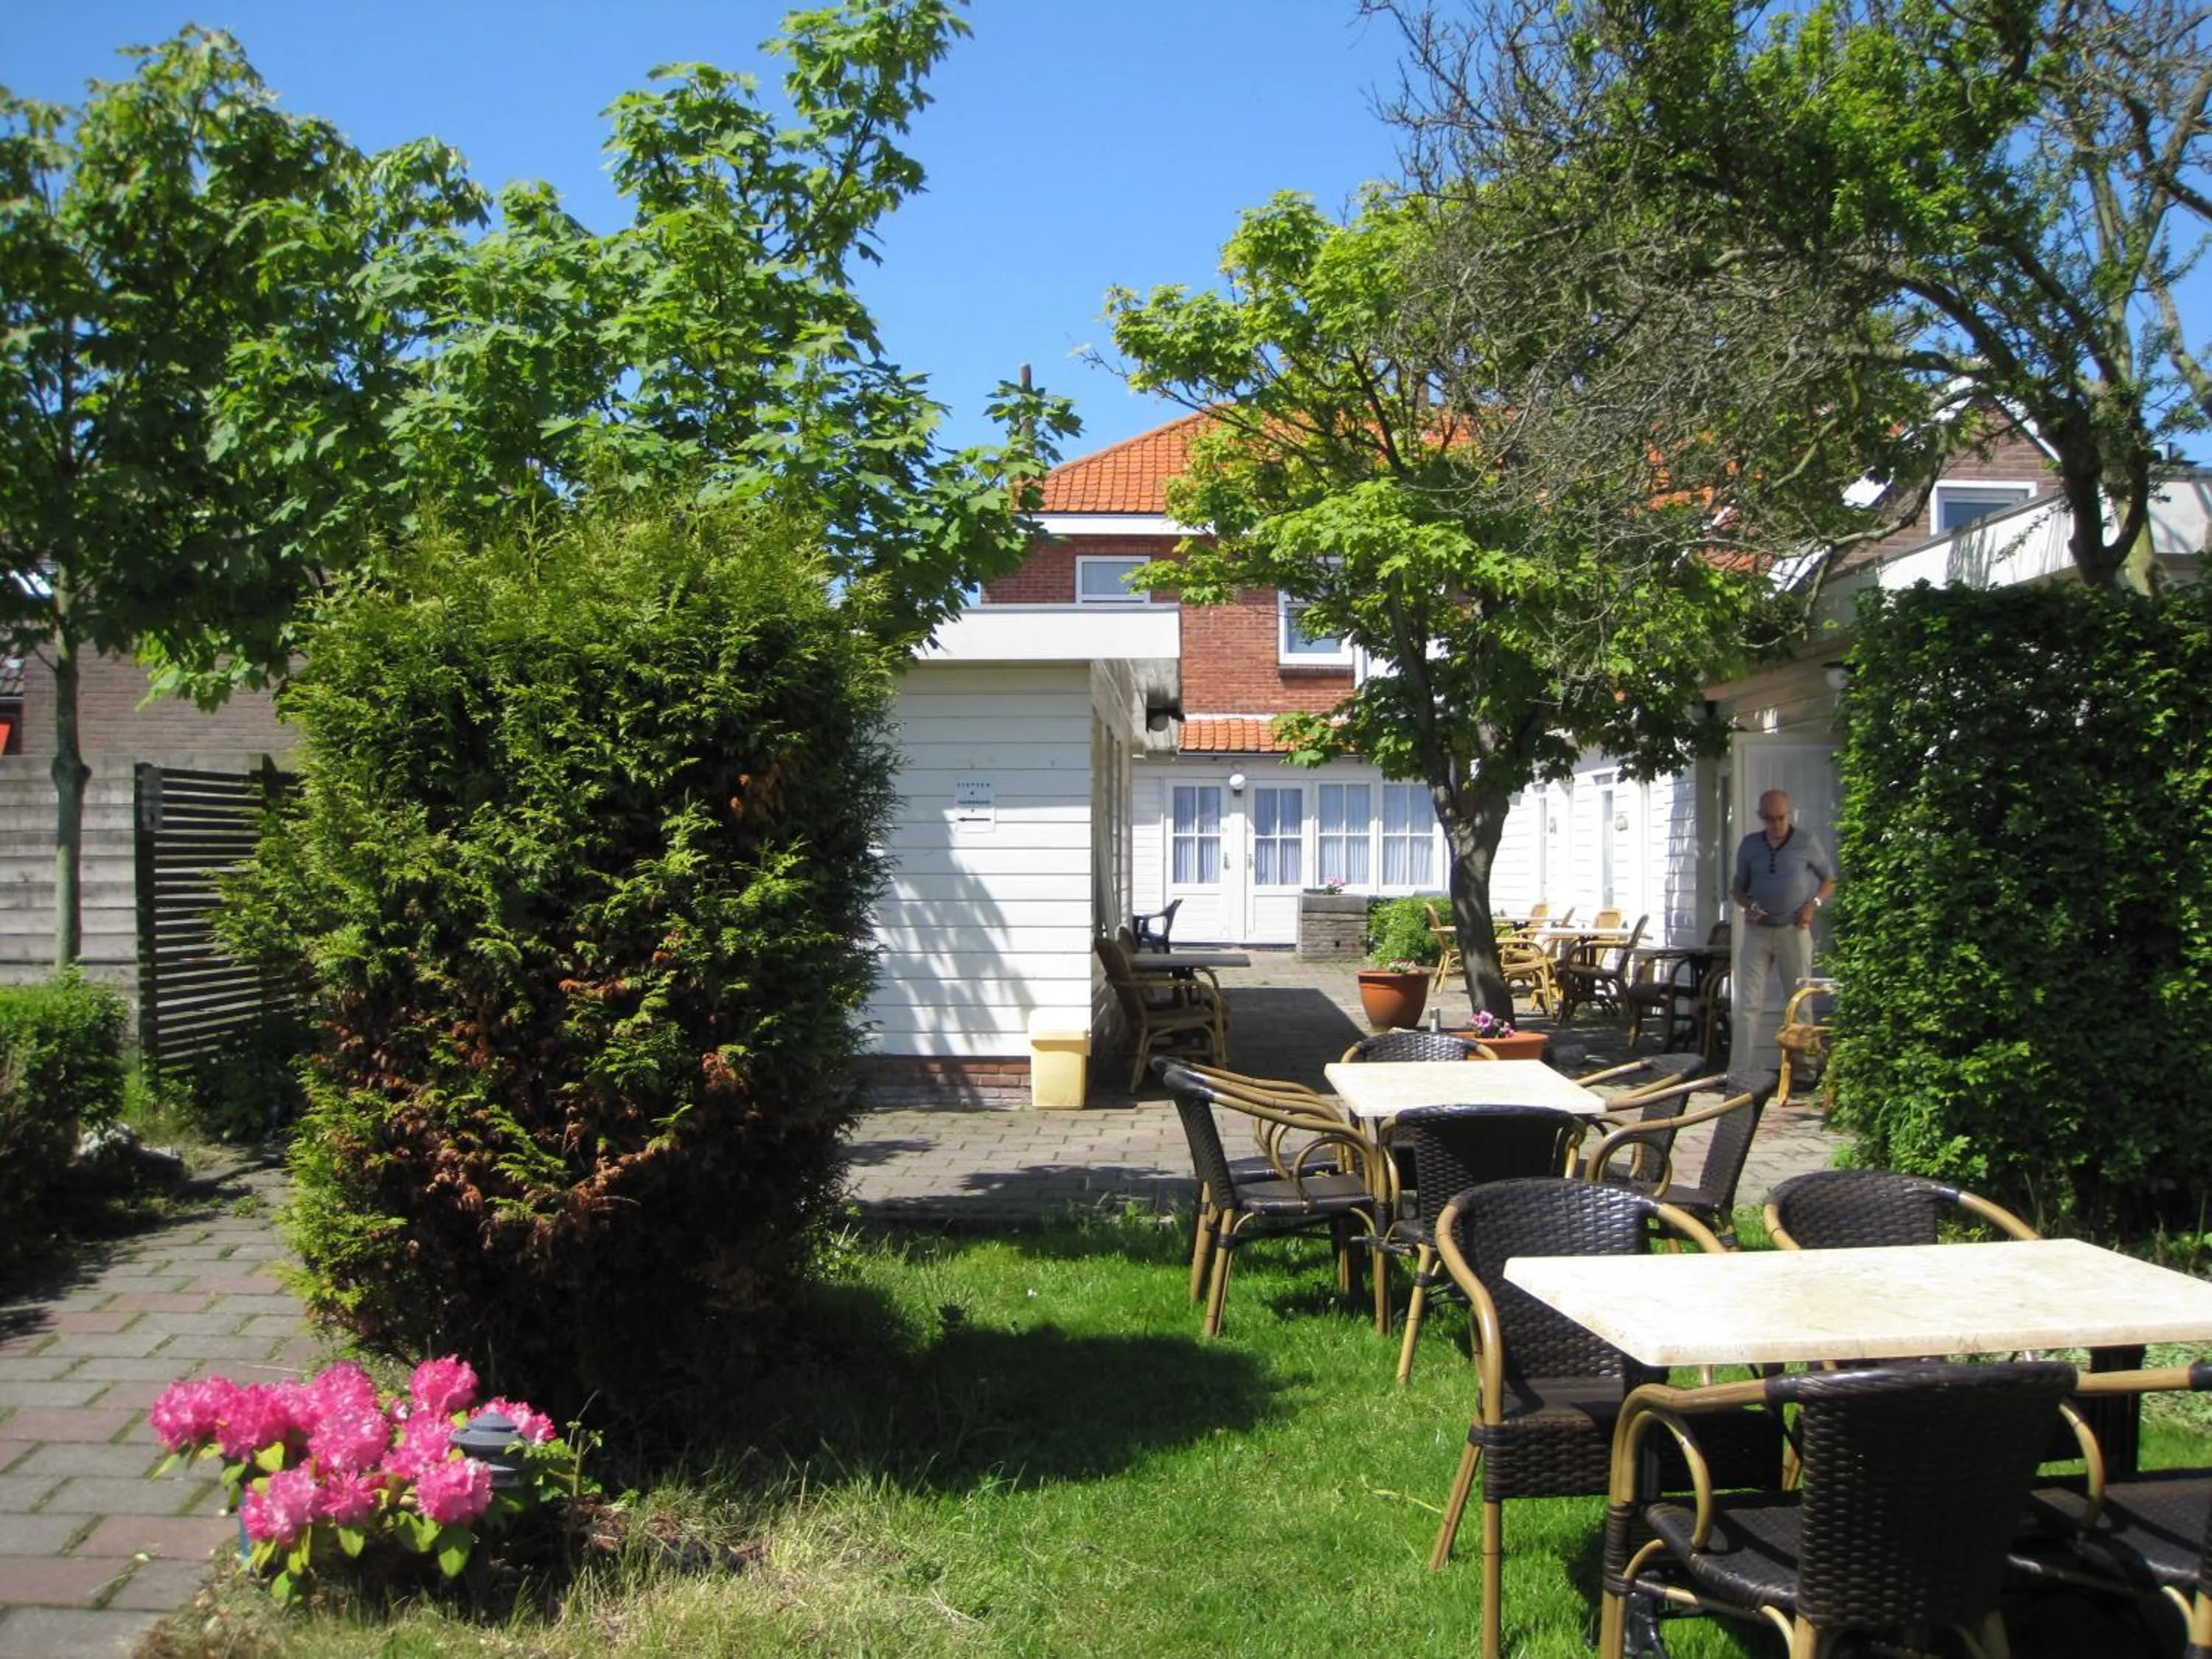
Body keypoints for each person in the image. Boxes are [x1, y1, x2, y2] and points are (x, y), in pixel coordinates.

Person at [1730, 790, 1837, 1047]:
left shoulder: (1806, 842)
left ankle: (1805, 1069)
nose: (1775, 824)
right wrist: (1748, 905)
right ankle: (1740, 1071)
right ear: (1760, 817)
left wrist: (1814, 904)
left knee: (1800, 999)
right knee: (1748, 1003)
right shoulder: (1750, 845)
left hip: (1794, 928)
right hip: (1759, 931)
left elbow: (1829, 879)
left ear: (1790, 814)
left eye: (1780, 818)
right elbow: (1737, 888)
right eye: (1769, 819)